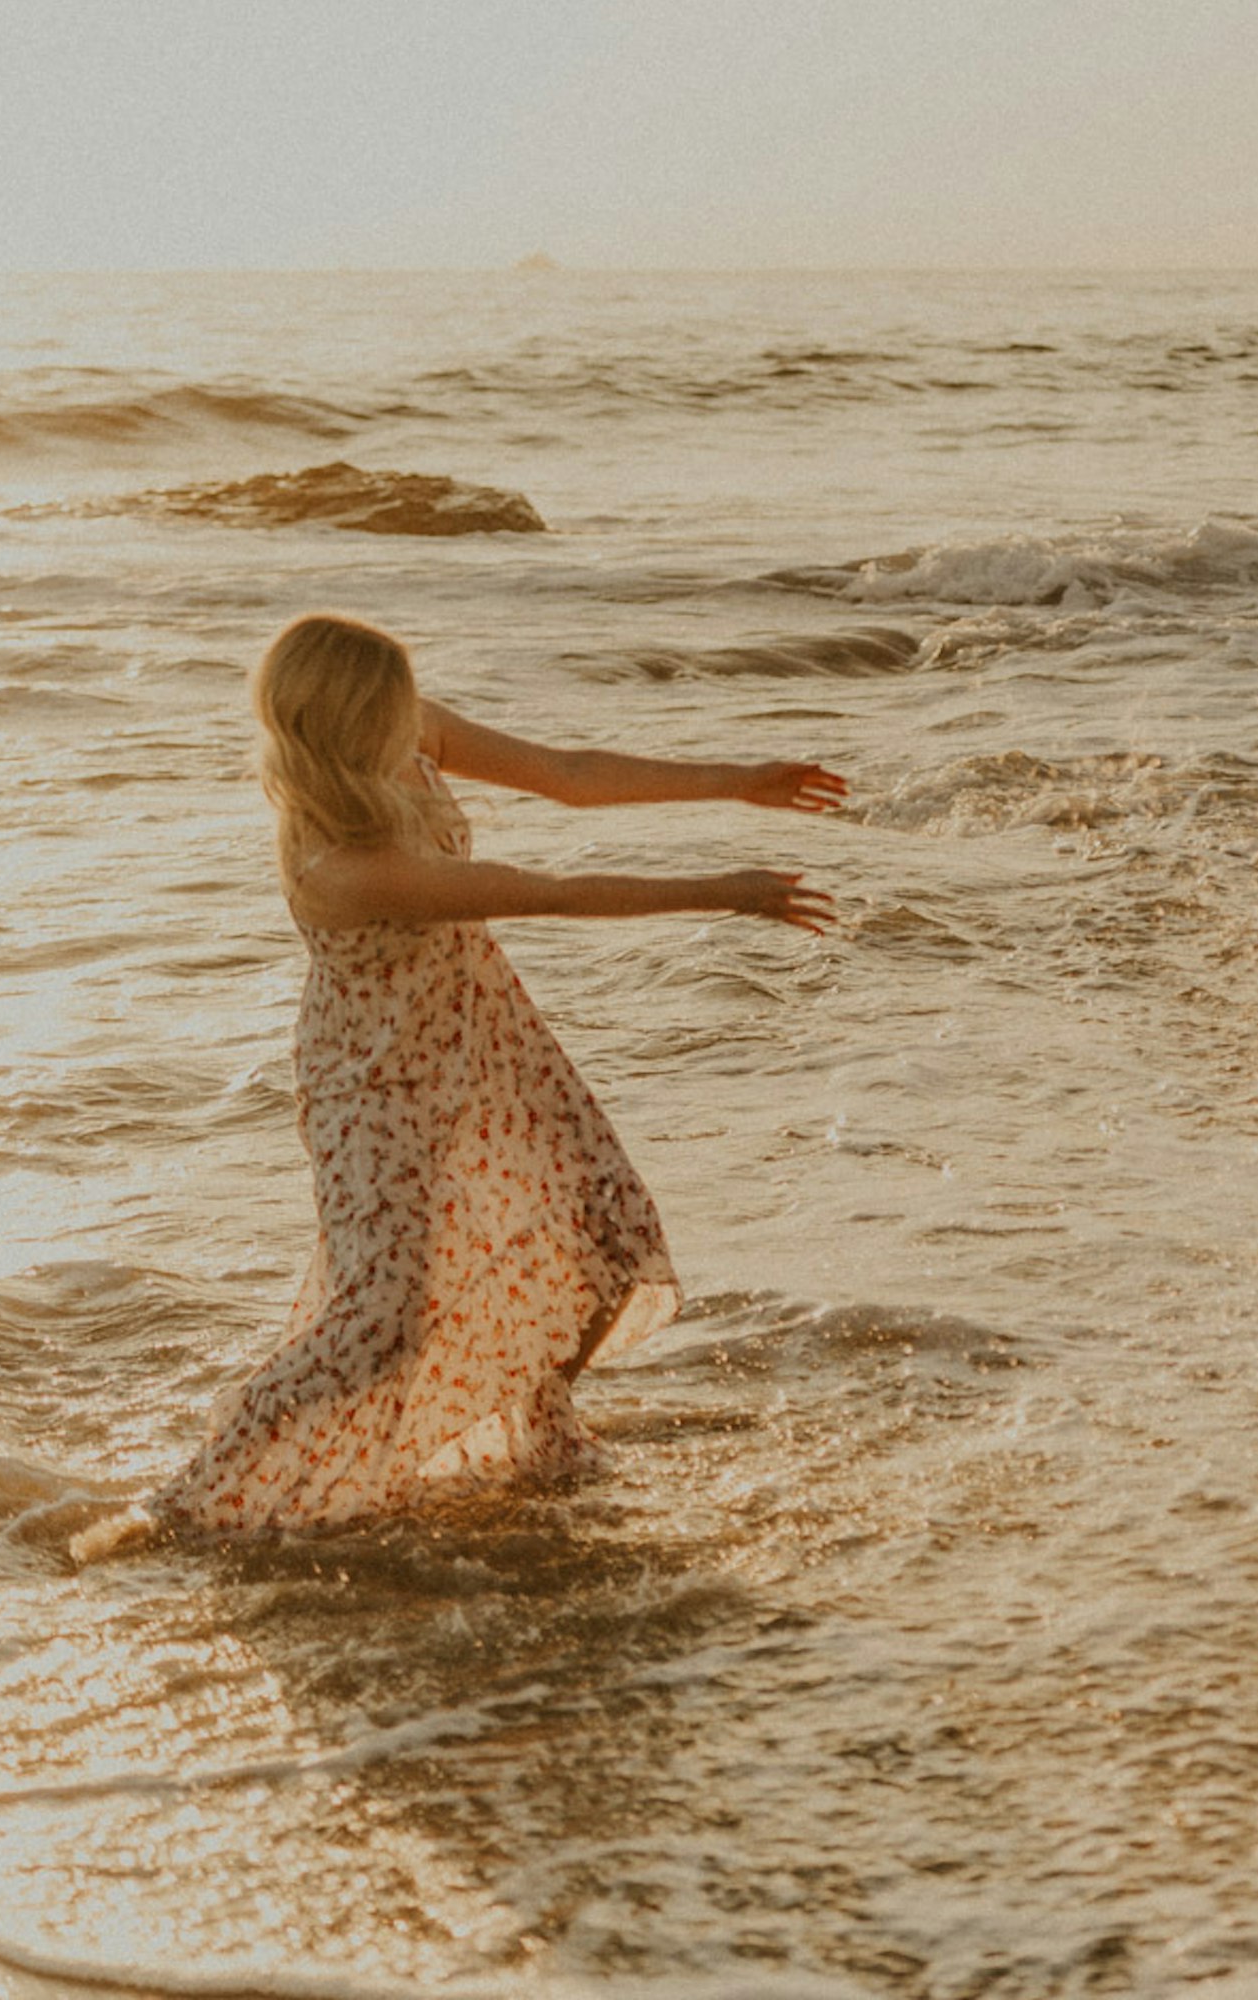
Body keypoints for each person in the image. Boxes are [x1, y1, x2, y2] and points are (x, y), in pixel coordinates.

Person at [80, 612, 841, 1555]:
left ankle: (529, 1442)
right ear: (353, 723)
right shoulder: (342, 868)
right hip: (378, 1083)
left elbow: (566, 775)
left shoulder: (406, 732)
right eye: (394, 703)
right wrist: (725, 890)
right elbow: (546, 892)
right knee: (382, 1316)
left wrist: (738, 783)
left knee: (607, 1227)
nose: (416, 715)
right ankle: (193, 1498)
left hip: (479, 1041)